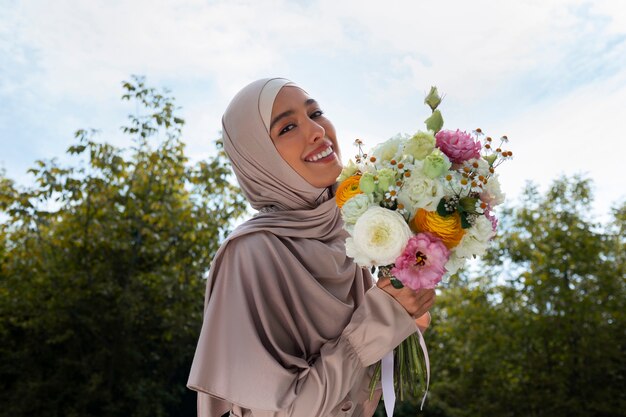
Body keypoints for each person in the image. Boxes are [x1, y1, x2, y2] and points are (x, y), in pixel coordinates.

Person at [187, 78, 435, 417]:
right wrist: (383, 316)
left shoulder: (351, 236)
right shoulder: (251, 254)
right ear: (257, 156)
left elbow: (360, 389)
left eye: (315, 112)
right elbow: (287, 410)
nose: (316, 130)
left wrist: (408, 303)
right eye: (287, 127)